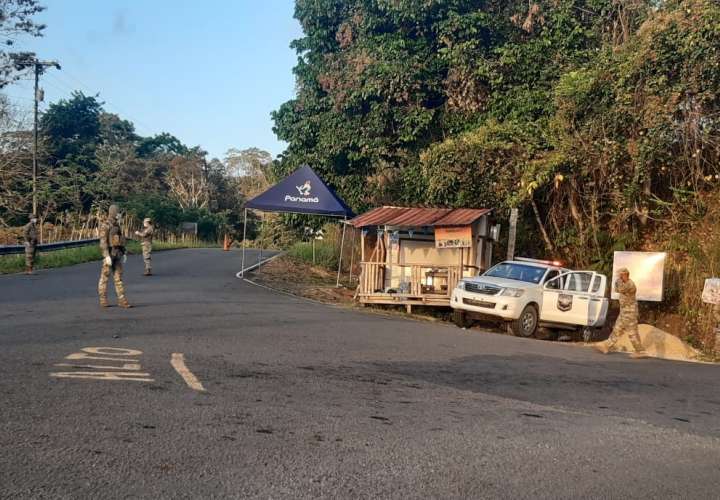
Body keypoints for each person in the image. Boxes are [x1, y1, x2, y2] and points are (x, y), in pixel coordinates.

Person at [597, 267, 646, 358]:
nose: (619, 277)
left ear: (625, 274)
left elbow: (620, 289)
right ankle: (606, 346)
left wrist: (618, 281)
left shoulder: (630, 284)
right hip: (624, 311)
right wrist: (618, 281)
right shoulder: (623, 283)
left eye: (620, 275)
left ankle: (640, 351)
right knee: (617, 329)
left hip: (630, 312)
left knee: (632, 332)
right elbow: (616, 289)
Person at [98, 204, 131, 308]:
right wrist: (106, 255)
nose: (119, 214)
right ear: (113, 212)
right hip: (109, 255)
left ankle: (122, 300)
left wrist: (124, 252)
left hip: (117, 255)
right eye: (117, 212)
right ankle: (103, 299)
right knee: (104, 278)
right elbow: (103, 242)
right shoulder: (105, 225)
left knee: (118, 278)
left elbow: (120, 240)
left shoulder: (117, 225)